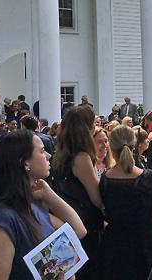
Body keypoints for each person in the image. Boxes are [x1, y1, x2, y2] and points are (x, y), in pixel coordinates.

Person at [0, 129, 86, 280]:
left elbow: (78, 231)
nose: (48, 156)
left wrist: (48, 194)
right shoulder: (0, 222)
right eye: (42, 151)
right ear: (25, 162)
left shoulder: (32, 206)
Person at [99, 125, 152, 280]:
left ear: (111, 147)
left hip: (114, 244)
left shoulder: (106, 179)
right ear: (134, 146)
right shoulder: (149, 178)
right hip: (145, 243)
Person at [53, 105, 103, 280]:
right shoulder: (81, 158)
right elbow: (96, 198)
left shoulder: (61, 154)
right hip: (85, 225)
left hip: (68, 222)